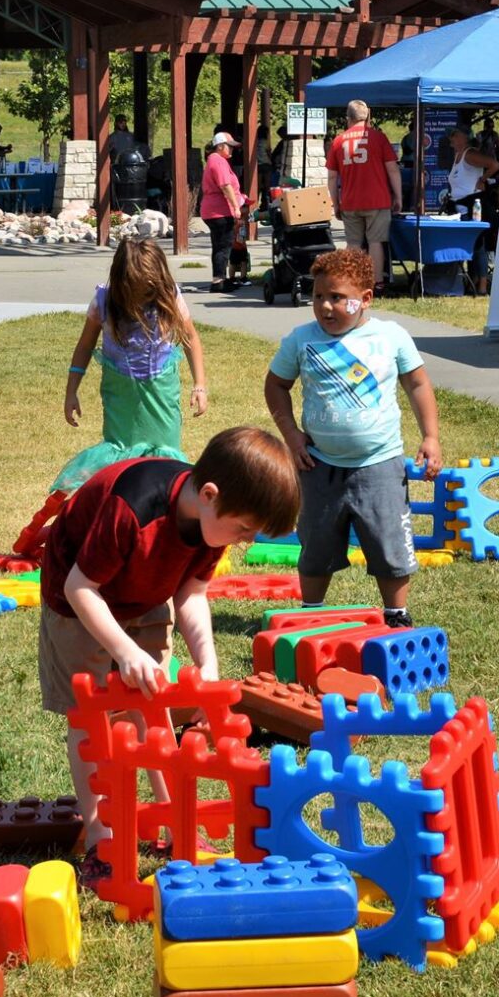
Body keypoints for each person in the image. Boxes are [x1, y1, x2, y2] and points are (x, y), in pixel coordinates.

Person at [35, 427, 300, 859]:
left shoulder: (213, 524)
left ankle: (174, 821)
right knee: (90, 721)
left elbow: (192, 594)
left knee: (151, 704)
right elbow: (80, 588)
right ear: (210, 495)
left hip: (147, 592)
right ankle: (101, 837)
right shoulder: (132, 508)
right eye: (243, 529)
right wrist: (124, 651)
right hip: (80, 600)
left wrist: (207, 665)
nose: (244, 541)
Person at [264, 246, 442, 624]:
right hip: (319, 465)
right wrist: (292, 435)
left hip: (379, 464)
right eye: (318, 297)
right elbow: (276, 385)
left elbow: (418, 385)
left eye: (337, 298)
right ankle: (311, 613)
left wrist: (430, 436)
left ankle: (396, 612)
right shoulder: (301, 340)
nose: (326, 307)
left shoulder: (390, 337)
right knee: (315, 544)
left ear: (365, 299)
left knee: (389, 544)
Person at [58, 235, 208, 494]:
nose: (143, 297)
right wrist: (72, 391)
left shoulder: (169, 298)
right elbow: (84, 346)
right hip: (121, 394)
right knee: (123, 457)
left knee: (164, 458)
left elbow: (190, 338)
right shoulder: (103, 302)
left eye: (149, 290)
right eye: (138, 290)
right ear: (122, 282)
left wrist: (200, 385)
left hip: (160, 390)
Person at [325, 99, 400, 283]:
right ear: (367, 116)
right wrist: (398, 195)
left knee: (353, 243)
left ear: (348, 118)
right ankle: (376, 283)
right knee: (375, 242)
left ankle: (354, 282)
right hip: (378, 199)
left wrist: (335, 203)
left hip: (350, 201)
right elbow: (392, 169)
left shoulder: (338, 141)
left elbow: (332, 178)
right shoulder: (378, 137)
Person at [199, 132, 249, 291]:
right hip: (219, 211)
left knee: (219, 245)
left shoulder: (215, 160)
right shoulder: (218, 161)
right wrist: (236, 207)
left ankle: (219, 279)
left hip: (213, 210)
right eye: (230, 146)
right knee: (223, 246)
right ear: (220, 146)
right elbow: (225, 185)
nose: (232, 150)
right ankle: (218, 282)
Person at [102, 115, 151, 223]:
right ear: (116, 123)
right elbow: (107, 152)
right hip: (118, 168)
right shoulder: (112, 138)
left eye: (124, 122)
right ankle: (116, 209)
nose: (122, 124)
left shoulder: (131, 137)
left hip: (132, 168)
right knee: (117, 191)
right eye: (120, 122)